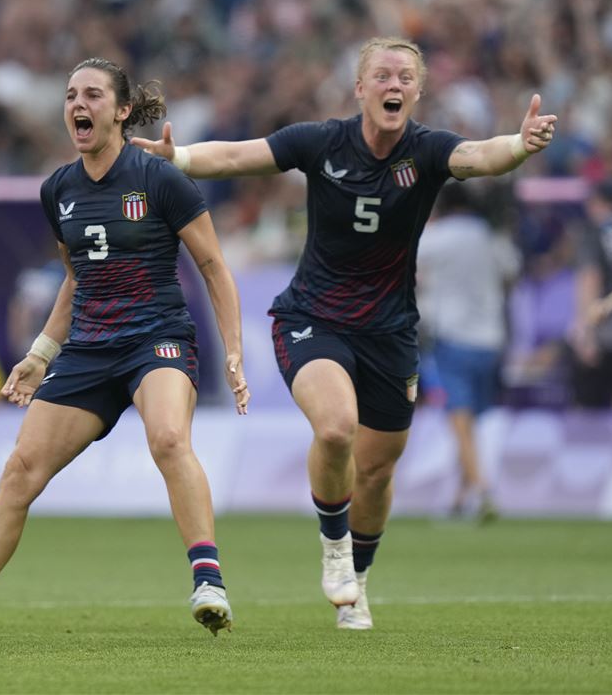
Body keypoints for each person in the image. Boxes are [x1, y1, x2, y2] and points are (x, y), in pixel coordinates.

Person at [132, 36, 557, 630]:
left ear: (417, 91)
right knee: (335, 430)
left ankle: (357, 578)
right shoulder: (321, 141)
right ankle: (334, 547)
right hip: (313, 318)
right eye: (381, 75)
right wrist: (177, 160)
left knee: (378, 470)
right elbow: (234, 158)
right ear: (359, 88)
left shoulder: (427, 150)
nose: (394, 85)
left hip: (390, 333)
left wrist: (520, 143)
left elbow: (482, 157)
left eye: (405, 77)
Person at [0, 58, 250, 639]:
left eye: (91, 95)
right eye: (69, 96)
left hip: (156, 338)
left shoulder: (159, 178)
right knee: (19, 472)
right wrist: (40, 354)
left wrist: (233, 351)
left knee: (167, 438)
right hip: (87, 349)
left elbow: (213, 265)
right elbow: (75, 279)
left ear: (121, 110)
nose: (77, 105)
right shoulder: (57, 189)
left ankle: (208, 580)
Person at [418, 184, 518, 520]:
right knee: (472, 419)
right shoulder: (492, 238)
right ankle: (462, 497)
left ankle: (482, 487)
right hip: (492, 337)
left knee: (458, 417)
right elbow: (511, 274)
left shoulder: (436, 236)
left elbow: (407, 269)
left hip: (453, 335)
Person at [569, 180, 612, 408]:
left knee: (589, 414)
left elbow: (590, 279)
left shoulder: (592, 233)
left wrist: (586, 332)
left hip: (605, 334)